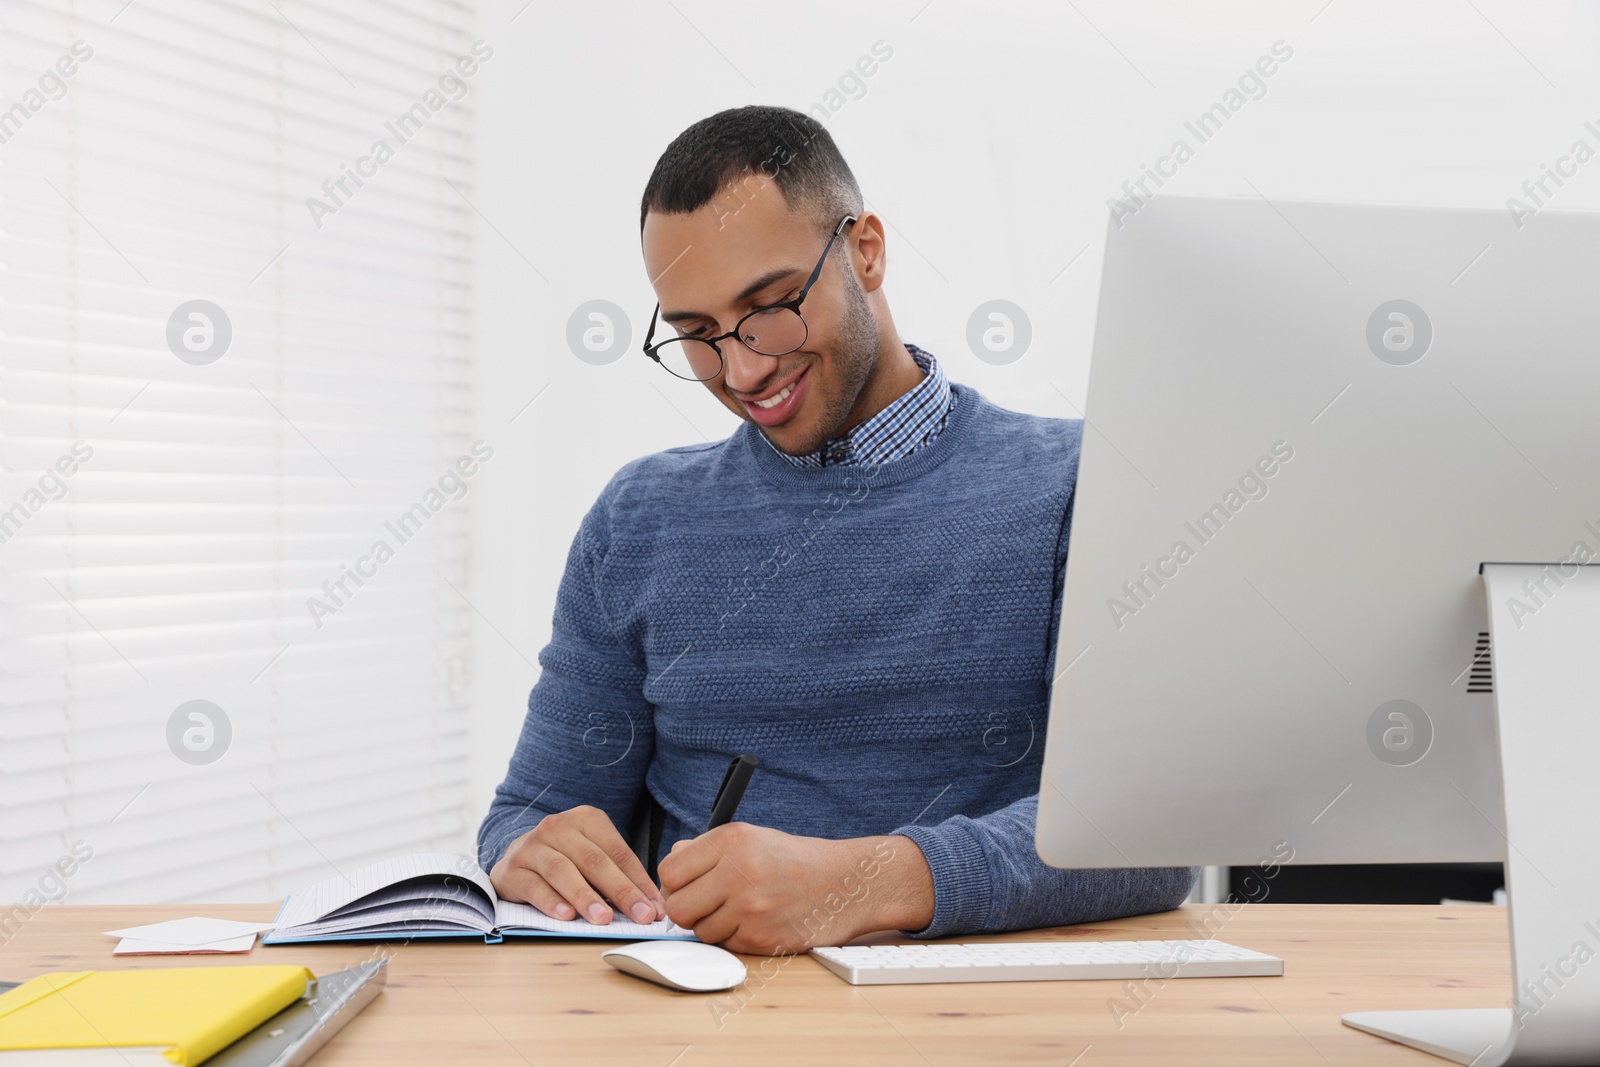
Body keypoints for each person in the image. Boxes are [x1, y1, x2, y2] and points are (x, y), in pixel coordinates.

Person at [478, 104, 1195, 954]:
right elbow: (528, 811)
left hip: (989, 1021)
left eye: (771, 305)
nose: (742, 369)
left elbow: (1146, 836)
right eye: (697, 335)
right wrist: (531, 849)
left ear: (867, 251)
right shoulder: (638, 521)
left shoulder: (1076, 486)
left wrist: (862, 884)